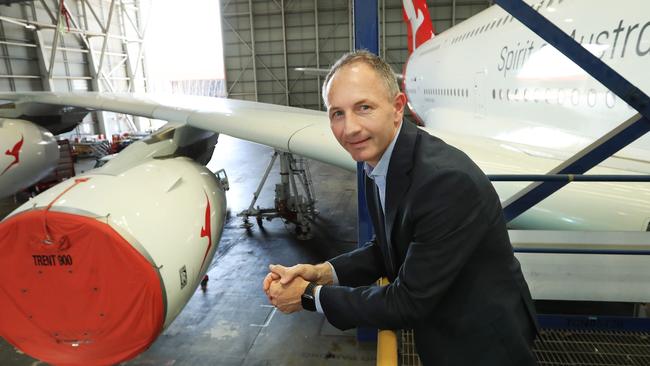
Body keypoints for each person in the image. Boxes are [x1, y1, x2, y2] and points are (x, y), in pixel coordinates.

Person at [262, 50, 538, 365]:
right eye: (337, 113)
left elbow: (406, 302)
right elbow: (387, 247)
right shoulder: (377, 158)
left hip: (482, 339)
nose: (349, 128)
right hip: (441, 321)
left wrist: (310, 296)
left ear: (397, 108)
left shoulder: (445, 183)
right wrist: (323, 272)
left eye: (363, 107)